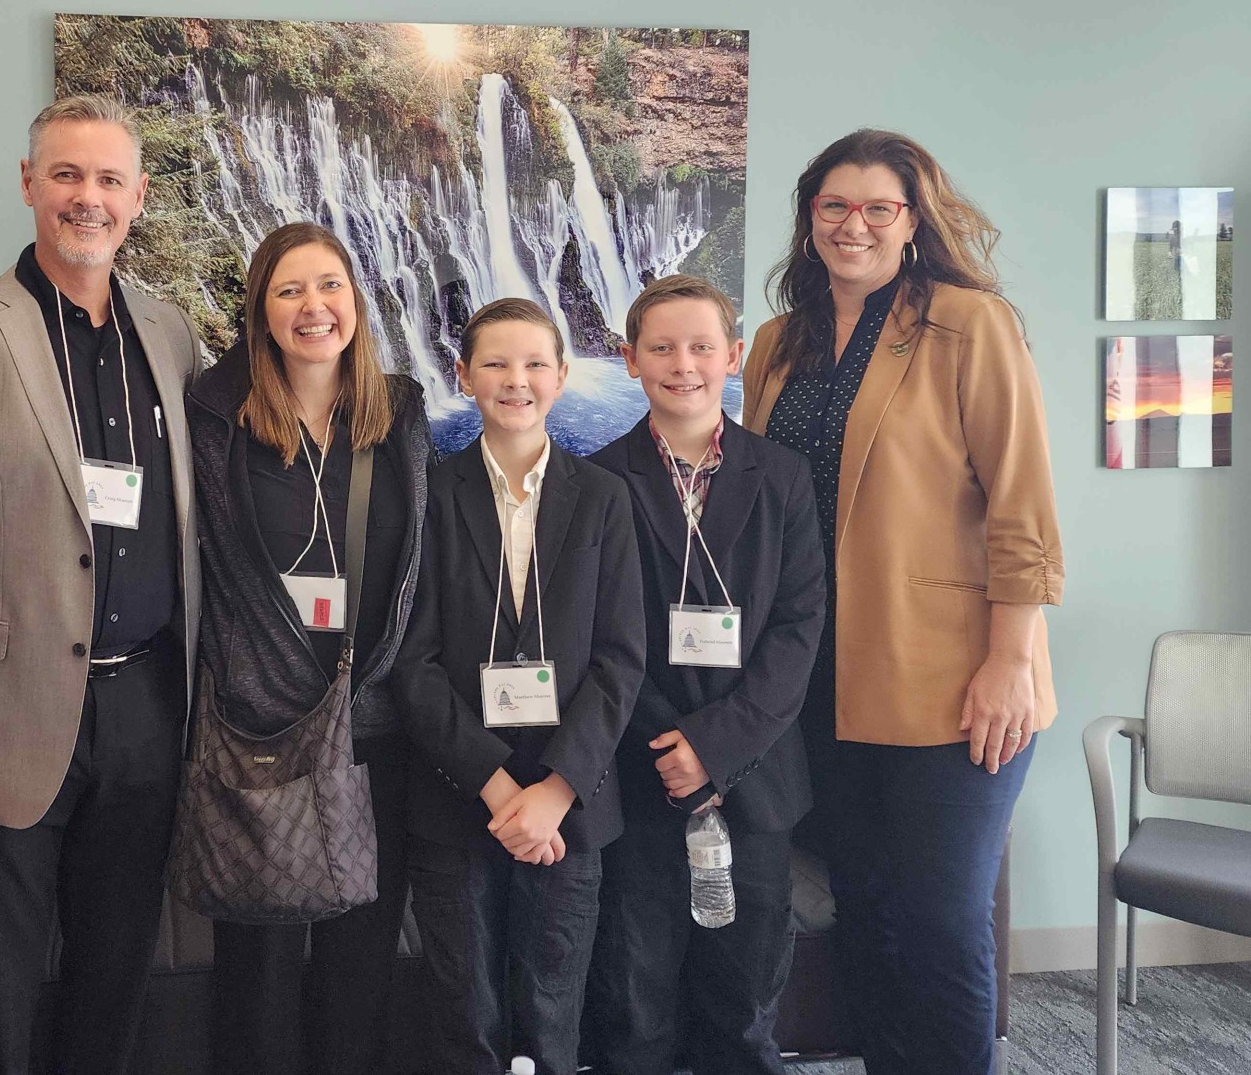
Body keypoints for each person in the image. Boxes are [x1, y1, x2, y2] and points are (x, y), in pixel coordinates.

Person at [0, 93, 200, 1075]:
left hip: (146, 707)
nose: (86, 198)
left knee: (113, 984)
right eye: (66, 175)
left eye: (107, 180)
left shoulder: (172, 335)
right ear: (28, 185)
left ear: (138, 197)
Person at [742, 129, 1064, 1075]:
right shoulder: (777, 342)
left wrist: (1010, 661)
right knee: (868, 914)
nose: (855, 225)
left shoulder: (969, 323)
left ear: (913, 220)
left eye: (879, 207)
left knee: (939, 925)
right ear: (810, 220)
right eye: (834, 206)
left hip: (955, 680)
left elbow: (1024, 508)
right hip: (821, 683)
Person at [186, 221, 433, 1075]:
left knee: (359, 966)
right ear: (259, 310)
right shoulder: (215, 417)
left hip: (377, 734)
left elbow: (418, 569)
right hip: (262, 736)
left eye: (329, 285)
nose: (313, 306)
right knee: (254, 973)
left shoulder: (400, 414)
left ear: (356, 303)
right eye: (290, 289)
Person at [582, 274, 827, 1075]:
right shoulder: (597, 480)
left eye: (699, 346)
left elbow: (798, 630)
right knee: (635, 992)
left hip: (753, 780)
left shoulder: (783, 477)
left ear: (734, 355)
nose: (681, 364)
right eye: (660, 347)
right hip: (639, 772)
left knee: (746, 995)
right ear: (629, 360)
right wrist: (672, 748)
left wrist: (715, 750)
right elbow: (600, 638)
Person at [394, 297, 646, 1075]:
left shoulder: (604, 497)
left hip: (570, 802)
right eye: (496, 364)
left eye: (535, 363)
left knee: (551, 1014)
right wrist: (502, 790)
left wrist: (556, 789)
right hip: (458, 794)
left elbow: (621, 658)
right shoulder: (429, 494)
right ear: (463, 376)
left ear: (563, 377)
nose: (517, 380)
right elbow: (413, 662)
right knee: (464, 1016)